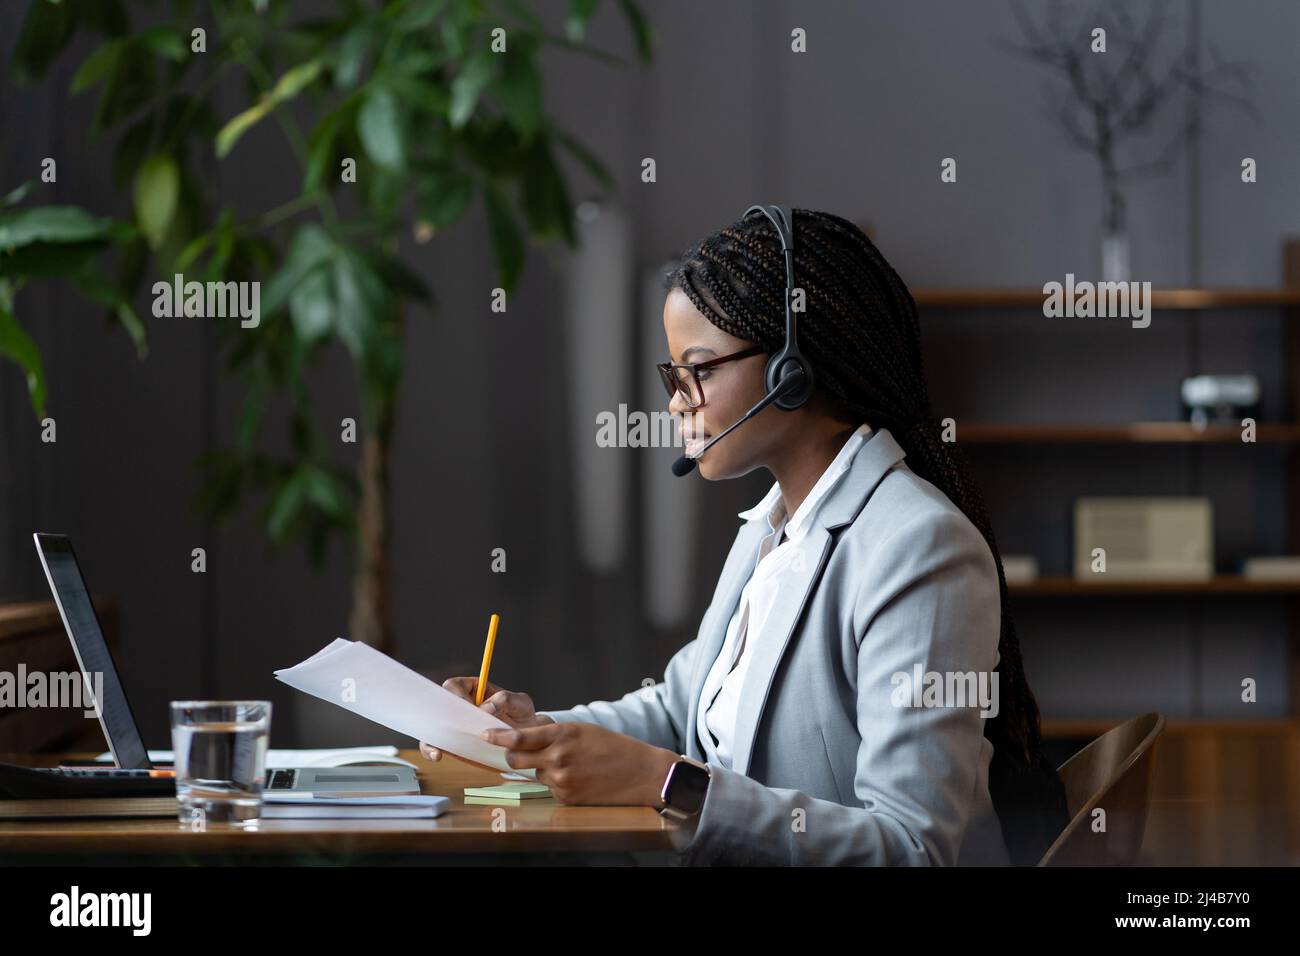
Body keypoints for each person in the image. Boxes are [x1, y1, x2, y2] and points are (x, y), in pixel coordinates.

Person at [421, 207, 1069, 865]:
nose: (676, 401)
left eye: (696, 370)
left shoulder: (918, 548)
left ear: (792, 372)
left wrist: (671, 787)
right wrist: (529, 733)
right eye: (671, 375)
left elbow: (912, 848)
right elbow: (682, 709)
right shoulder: (772, 528)